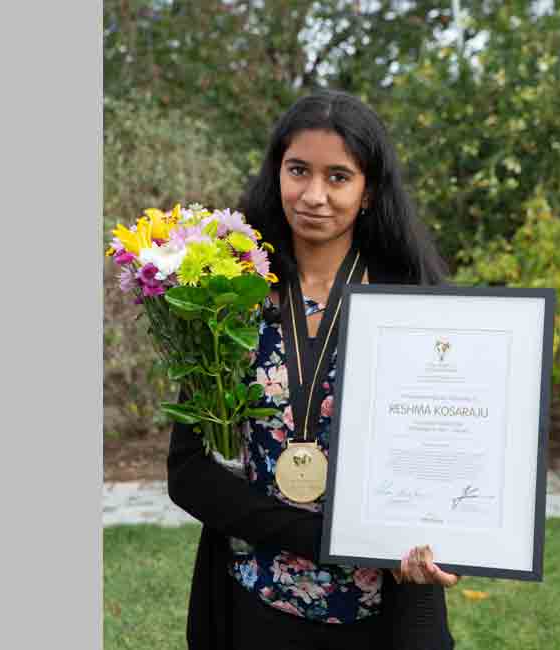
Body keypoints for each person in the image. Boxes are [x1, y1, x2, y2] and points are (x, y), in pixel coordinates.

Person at [167, 89, 457, 650]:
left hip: (382, 614)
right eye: (298, 170)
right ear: (277, 171)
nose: (314, 195)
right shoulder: (230, 297)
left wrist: (451, 538)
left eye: (338, 177)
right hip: (255, 601)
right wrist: (331, 538)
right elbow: (189, 472)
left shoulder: (414, 305)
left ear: (368, 191)